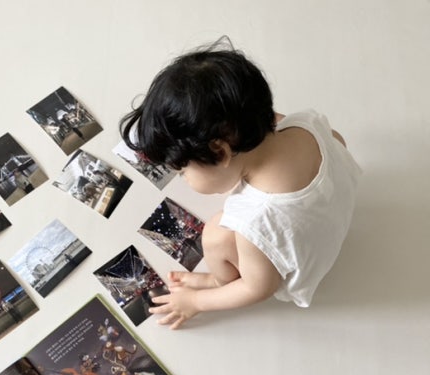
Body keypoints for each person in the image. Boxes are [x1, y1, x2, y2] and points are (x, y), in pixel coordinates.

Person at [120, 39, 361, 329]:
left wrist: (196, 302)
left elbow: (259, 289)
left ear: (220, 152)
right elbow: (338, 142)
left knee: (215, 233)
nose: (184, 178)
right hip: (333, 214)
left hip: (304, 265)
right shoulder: (306, 122)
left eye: (183, 171)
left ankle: (219, 282)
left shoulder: (255, 220)